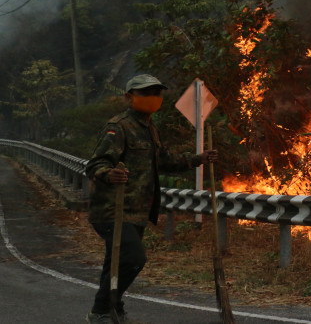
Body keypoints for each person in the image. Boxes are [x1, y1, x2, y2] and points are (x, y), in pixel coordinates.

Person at [85, 74, 218, 324]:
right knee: (134, 258)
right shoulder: (119, 127)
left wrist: (199, 158)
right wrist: (109, 173)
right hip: (113, 210)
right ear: (129, 97)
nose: (153, 99)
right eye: (146, 93)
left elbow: (165, 160)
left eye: (157, 93)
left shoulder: (150, 128)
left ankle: (109, 309)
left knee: (116, 262)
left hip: (137, 210)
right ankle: (104, 309)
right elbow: (95, 164)